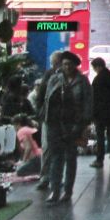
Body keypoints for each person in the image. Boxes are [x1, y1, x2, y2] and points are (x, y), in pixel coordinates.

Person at [41, 51, 92, 203]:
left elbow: (88, 103)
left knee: (70, 157)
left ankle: (68, 191)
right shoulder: (54, 79)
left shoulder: (82, 81)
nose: (67, 67)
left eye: (70, 64)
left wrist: (83, 124)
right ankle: (55, 190)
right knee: (56, 157)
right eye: (64, 64)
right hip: (55, 123)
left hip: (73, 124)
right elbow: (46, 99)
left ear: (75, 65)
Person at [34, 51, 63, 191]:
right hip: (49, 116)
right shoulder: (50, 74)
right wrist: (41, 111)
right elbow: (41, 95)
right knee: (48, 148)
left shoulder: (65, 76)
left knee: (55, 148)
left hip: (60, 118)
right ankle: (46, 177)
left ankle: (52, 177)